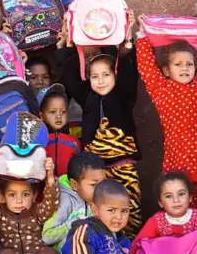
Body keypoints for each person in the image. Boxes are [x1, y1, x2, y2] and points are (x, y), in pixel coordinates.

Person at [58, 20, 143, 236]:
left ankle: (129, 246)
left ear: (115, 75)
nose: (101, 81)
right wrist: (67, 46)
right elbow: (70, 74)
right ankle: (103, 245)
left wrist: (127, 41)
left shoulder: (124, 96)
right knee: (100, 211)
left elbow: (128, 72)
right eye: (94, 76)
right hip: (98, 172)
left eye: (106, 75)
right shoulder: (87, 97)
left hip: (124, 167)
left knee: (129, 206)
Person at [135, 34, 197, 216]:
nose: (185, 68)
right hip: (179, 167)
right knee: (181, 217)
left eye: (189, 64)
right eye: (178, 64)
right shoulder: (161, 89)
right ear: (166, 71)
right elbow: (147, 67)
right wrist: (143, 36)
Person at [43, 152, 107, 253]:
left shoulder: (99, 198)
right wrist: (76, 222)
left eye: (103, 183)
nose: (101, 189)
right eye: (94, 184)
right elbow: (47, 236)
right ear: (74, 184)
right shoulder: (64, 201)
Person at [37, 83, 80, 178]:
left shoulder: (74, 141)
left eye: (63, 112)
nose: (59, 116)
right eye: (52, 112)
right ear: (41, 116)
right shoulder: (37, 141)